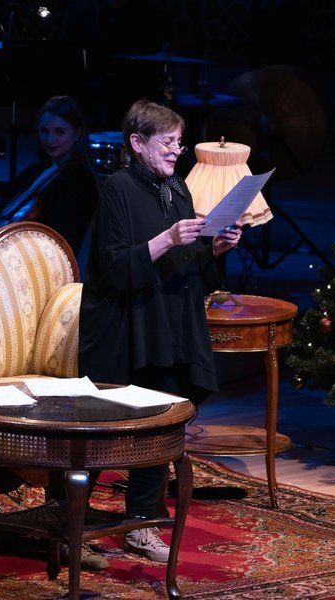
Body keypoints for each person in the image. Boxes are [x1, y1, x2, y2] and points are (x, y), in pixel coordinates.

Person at [78, 100, 243, 562]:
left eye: (179, 142)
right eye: (168, 142)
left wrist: (215, 250)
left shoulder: (177, 189)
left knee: (162, 425)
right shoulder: (118, 188)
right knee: (102, 432)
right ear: (136, 143)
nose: (177, 151)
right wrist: (168, 239)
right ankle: (70, 525)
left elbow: (184, 265)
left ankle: (140, 526)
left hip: (169, 323)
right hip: (125, 326)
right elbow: (112, 264)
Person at [15, 95, 99, 258]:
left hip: (42, 265)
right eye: (44, 131)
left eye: (59, 132)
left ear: (77, 134)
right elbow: (0, 210)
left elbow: (60, 239)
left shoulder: (80, 180)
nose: (50, 140)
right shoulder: (34, 171)